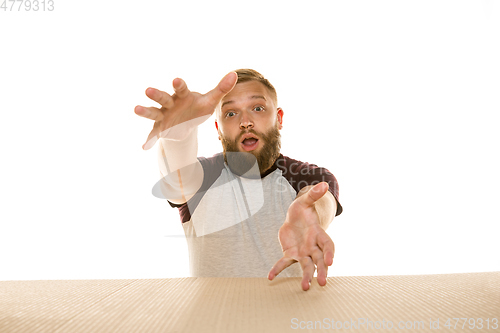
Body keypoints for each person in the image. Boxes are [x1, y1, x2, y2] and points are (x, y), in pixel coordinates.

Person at [134, 69, 343, 291]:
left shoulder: (309, 176)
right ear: (218, 128)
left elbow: (320, 200)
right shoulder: (204, 178)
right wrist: (180, 136)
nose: (245, 122)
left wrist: (311, 215)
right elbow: (178, 183)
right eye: (231, 113)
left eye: (258, 108)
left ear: (279, 118)